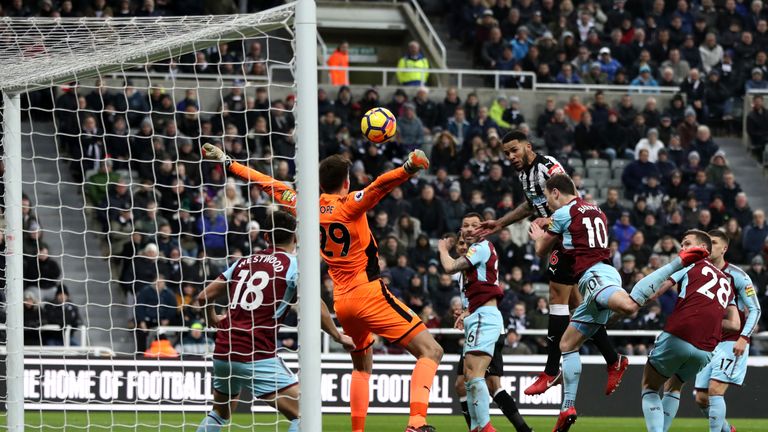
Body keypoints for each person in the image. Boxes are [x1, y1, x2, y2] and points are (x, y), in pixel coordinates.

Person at [201, 144, 443, 432]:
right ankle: (416, 423)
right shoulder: (350, 204)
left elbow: (267, 183)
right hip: (369, 293)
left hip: (342, 301)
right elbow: (380, 186)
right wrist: (409, 167)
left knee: (362, 367)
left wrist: (229, 162)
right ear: (347, 182)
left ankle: (357, 430)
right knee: (431, 351)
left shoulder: (305, 206)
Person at [475, 131, 627, 398]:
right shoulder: (524, 176)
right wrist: (500, 223)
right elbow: (529, 206)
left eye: (514, 150)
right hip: (558, 235)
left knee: (558, 298)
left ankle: (550, 369)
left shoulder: (548, 166)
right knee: (579, 308)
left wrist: (552, 221)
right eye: (506, 153)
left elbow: (572, 196)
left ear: (528, 147)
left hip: (566, 236)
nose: (510, 157)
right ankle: (613, 359)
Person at [195, 211, 355, 432]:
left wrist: (211, 316)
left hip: (223, 351)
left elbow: (204, 296)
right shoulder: (293, 266)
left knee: (219, 414)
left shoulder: (244, 262)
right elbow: (315, 306)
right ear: (296, 238)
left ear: (266, 238)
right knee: (307, 414)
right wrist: (337, 336)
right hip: (257, 353)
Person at [528, 174, 658, 432]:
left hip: (596, 276)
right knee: (569, 340)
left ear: (555, 193)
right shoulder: (596, 210)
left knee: (627, 306)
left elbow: (542, 250)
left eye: (548, 197)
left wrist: (536, 234)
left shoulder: (565, 212)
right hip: (593, 276)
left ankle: (668, 272)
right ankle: (569, 406)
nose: (548, 203)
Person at [628, 230, 740, 432]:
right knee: (674, 386)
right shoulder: (727, 282)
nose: (683, 249)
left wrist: (631, 302)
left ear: (703, 249)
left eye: (687, 244)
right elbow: (734, 325)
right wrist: (709, 322)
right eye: (681, 244)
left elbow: (656, 291)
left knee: (650, 386)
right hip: (706, 349)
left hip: (680, 333)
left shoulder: (690, 264)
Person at [439, 225, 531, 432]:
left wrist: (443, 250)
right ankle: (478, 427)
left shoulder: (481, 248)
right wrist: (465, 313)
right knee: (468, 380)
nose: (463, 245)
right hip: (479, 320)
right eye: (460, 241)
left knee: (480, 378)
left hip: (486, 321)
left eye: (466, 239)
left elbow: (449, 267)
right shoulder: (469, 274)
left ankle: (487, 428)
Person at [693, 230, 762, 432]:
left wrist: (743, 337)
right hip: (708, 343)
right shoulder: (698, 273)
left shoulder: (738, 276)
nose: (708, 246)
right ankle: (727, 430)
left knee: (715, 390)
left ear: (724, 248)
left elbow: (756, 309)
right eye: (706, 243)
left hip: (732, 342)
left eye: (713, 242)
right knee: (701, 398)